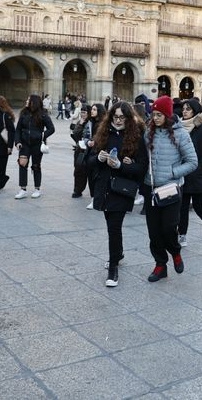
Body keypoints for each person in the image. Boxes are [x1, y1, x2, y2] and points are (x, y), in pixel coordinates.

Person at [89, 102, 148, 287]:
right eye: (115, 116)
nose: (118, 120)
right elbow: (88, 161)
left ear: (129, 118)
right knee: (112, 225)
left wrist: (122, 165)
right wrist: (98, 158)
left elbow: (141, 167)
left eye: (122, 117)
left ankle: (113, 268)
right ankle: (119, 253)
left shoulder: (136, 137)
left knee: (114, 227)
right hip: (104, 187)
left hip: (122, 189)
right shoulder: (103, 133)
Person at [141, 95, 198, 282]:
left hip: (171, 189)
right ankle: (160, 265)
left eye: (159, 114)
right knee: (154, 232)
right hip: (151, 189)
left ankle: (175, 252)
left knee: (168, 228)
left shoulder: (180, 134)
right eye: (153, 114)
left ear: (167, 114)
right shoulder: (148, 132)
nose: (155, 118)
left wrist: (173, 172)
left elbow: (192, 162)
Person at [177, 99, 202, 245]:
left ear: (194, 111)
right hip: (183, 173)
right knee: (182, 207)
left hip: (199, 175)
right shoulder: (179, 127)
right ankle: (182, 235)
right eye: (183, 109)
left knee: (200, 206)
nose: (185, 111)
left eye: (188, 109)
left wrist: (198, 167)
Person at [13, 94, 55, 199]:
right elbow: (18, 129)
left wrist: (41, 135)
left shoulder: (43, 114)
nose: (26, 101)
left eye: (29, 100)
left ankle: (37, 189)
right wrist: (17, 141)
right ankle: (23, 189)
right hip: (24, 143)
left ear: (34, 102)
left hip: (37, 144)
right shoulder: (24, 113)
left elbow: (51, 129)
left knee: (36, 166)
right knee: (22, 164)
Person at [70, 104, 91, 198]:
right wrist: (80, 124)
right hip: (79, 150)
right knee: (78, 170)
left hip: (89, 150)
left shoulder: (91, 123)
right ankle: (77, 190)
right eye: (81, 112)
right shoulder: (80, 122)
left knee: (87, 171)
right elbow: (75, 134)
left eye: (84, 112)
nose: (82, 114)